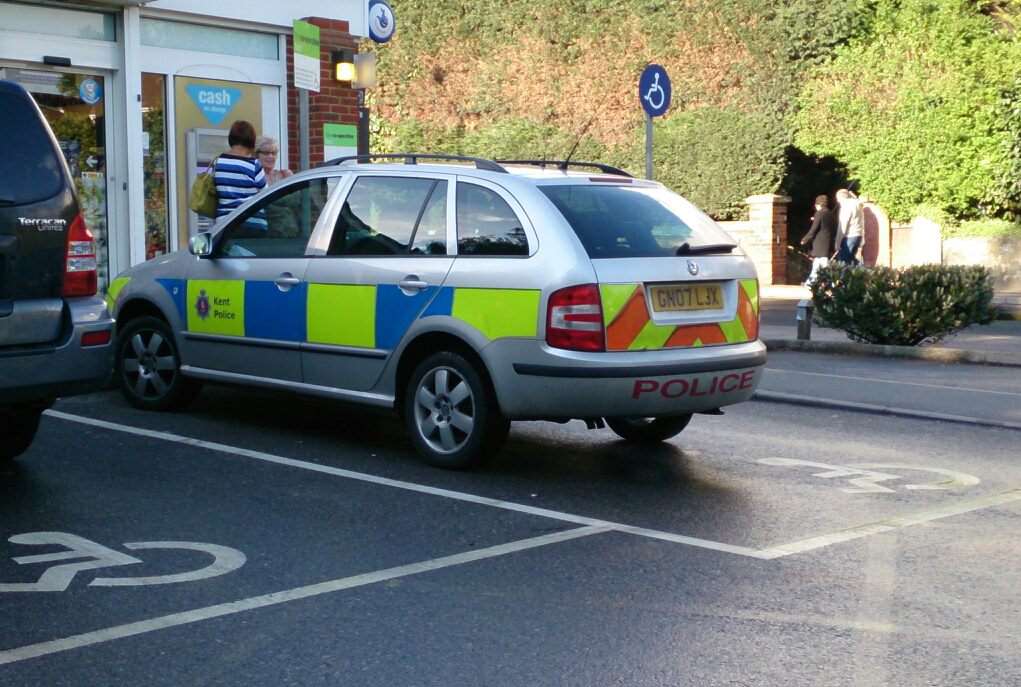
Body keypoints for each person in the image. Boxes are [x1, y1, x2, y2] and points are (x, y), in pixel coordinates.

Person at [213, 120, 267, 231]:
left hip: (224, 222)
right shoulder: (253, 164)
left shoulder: (217, 162)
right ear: (251, 139)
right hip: (252, 222)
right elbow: (265, 193)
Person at [800, 194, 836, 286]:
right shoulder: (830, 213)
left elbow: (814, 228)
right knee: (819, 262)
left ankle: (829, 282)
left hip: (820, 241)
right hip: (828, 241)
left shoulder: (819, 213)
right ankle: (811, 281)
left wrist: (805, 239)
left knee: (822, 262)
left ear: (817, 204)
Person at [835, 188, 865, 265]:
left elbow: (843, 225)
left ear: (842, 198)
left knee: (844, 261)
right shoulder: (857, 204)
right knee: (850, 260)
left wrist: (837, 242)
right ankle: (865, 272)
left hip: (849, 236)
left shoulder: (846, 207)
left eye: (838, 199)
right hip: (858, 235)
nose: (838, 201)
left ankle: (866, 271)